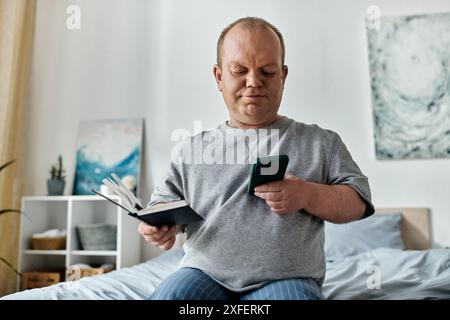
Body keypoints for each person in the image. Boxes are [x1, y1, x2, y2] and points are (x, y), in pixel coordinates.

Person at [138, 17, 374, 300]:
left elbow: (359, 202)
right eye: (239, 70)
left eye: (268, 71)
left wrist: (308, 195)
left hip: (287, 279)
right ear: (219, 77)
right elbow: (162, 205)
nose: (253, 82)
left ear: (283, 75)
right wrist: (159, 226)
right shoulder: (190, 149)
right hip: (203, 274)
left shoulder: (321, 143)